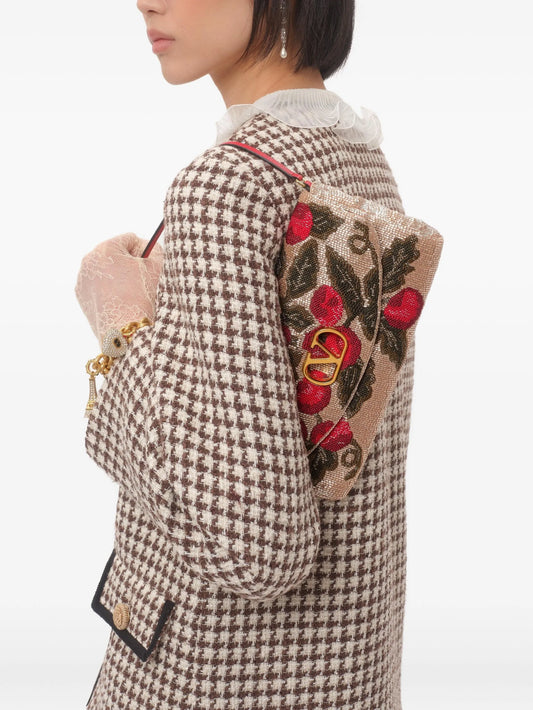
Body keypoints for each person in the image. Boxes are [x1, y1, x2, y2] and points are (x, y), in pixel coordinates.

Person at [75, 1, 416, 708]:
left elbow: (255, 549)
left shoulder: (227, 188)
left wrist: (122, 326)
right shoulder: (357, 155)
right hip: (340, 673)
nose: (145, 1)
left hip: (205, 678)